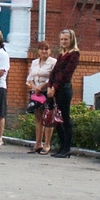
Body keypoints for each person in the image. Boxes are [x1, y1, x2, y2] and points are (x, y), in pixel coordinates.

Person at [47, 29, 80, 158]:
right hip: (55, 89)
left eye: (66, 39)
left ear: (71, 39)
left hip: (64, 89)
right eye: (62, 39)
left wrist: (54, 86)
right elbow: (54, 72)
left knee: (65, 118)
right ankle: (61, 147)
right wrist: (50, 86)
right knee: (57, 119)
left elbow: (66, 73)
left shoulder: (74, 54)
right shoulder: (61, 55)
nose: (64, 41)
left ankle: (67, 148)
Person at [26, 41, 57, 155]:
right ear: (38, 51)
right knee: (38, 119)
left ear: (50, 50)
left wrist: (41, 87)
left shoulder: (53, 62)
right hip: (36, 94)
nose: (44, 51)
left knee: (48, 119)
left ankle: (47, 144)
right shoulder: (34, 62)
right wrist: (34, 87)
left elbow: (52, 78)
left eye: (46, 49)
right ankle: (37, 144)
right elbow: (29, 78)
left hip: (47, 92)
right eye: (41, 49)